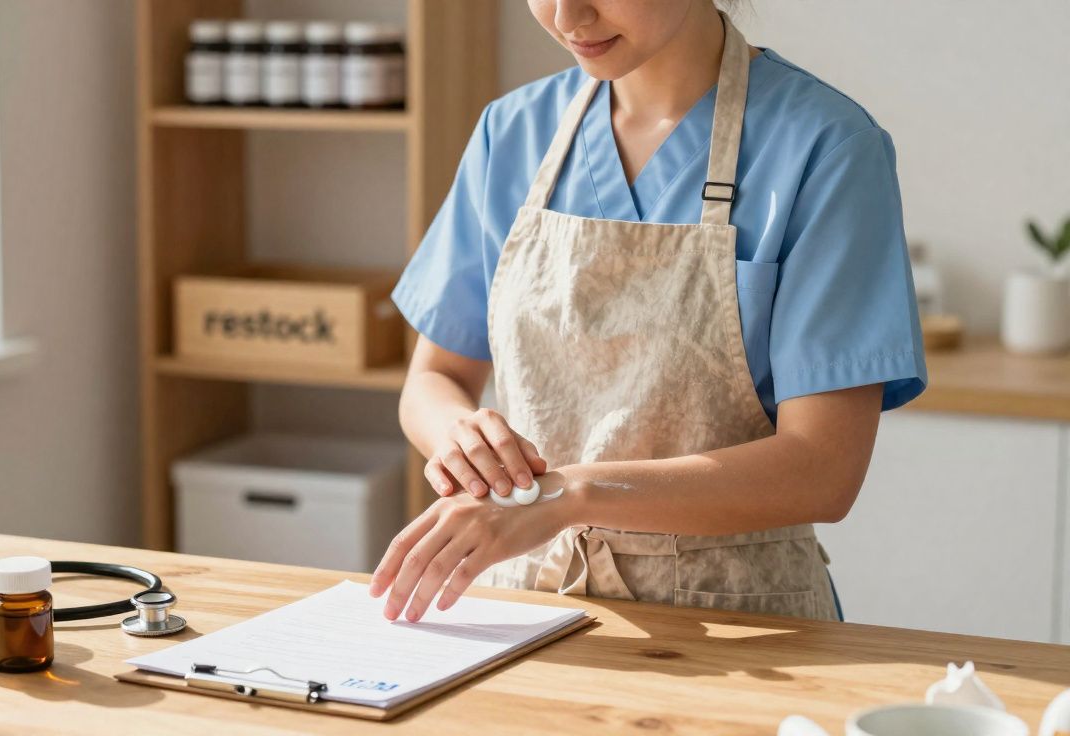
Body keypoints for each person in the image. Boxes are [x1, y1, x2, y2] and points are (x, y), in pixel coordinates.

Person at [369, 0, 926, 623]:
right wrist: (460, 437)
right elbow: (434, 378)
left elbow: (823, 470)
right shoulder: (514, 131)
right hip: (520, 606)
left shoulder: (827, 146)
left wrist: (566, 496)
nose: (567, 16)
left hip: (747, 620)